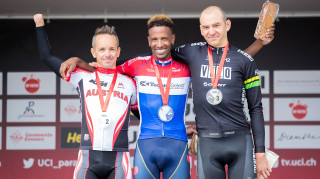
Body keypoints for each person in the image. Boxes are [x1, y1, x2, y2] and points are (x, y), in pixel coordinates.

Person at [59, 13, 275, 179]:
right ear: (148, 40)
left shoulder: (187, 65)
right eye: (154, 39)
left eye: (164, 38)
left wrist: (258, 44)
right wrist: (79, 62)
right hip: (146, 147)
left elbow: (230, 62)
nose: (159, 43)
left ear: (172, 39)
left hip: (178, 146)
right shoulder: (136, 65)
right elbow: (105, 68)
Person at [172, 6, 271, 179]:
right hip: (207, 143)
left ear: (228, 25)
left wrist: (260, 153)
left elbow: (256, 108)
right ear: (201, 30)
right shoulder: (192, 52)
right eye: (206, 27)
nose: (211, 31)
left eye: (216, 25)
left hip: (240, 142)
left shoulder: (244, 61)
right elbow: (158, 54)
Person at [34, 14, 137, 179]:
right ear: (93, 52)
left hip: (119, 160)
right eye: (102, 49)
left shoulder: (131, 83)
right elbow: (47, 57)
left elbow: (144, 116)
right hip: (88, 161)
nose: (107, 54)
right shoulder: (81, 76)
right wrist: (39, 24)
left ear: (118, 51)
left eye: (111, 49)